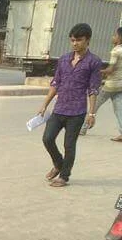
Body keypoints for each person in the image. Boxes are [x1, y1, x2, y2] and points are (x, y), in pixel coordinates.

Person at [38, 23, 102, 187]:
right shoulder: (64, 59)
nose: (75, 44)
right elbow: (55, 83)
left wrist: (92, 113)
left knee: (69, 145)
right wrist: (45, 104)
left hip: (77, 111)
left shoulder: (94, 62)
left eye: (78, 40)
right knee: (47, 138)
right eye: (72, 40)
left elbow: (93, 89)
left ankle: (64, 176)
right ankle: (59, 164)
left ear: (87, 40)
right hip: (59, 109)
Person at [80, 27, 122, 141]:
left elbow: (110, 70)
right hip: (120, 85)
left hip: (110, 86)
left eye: (115, 35)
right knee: (119, 109)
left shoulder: (115, 51)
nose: (113, 37)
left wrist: (96, 72)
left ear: (119, 38)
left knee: (94, 106)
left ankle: (82, 129)